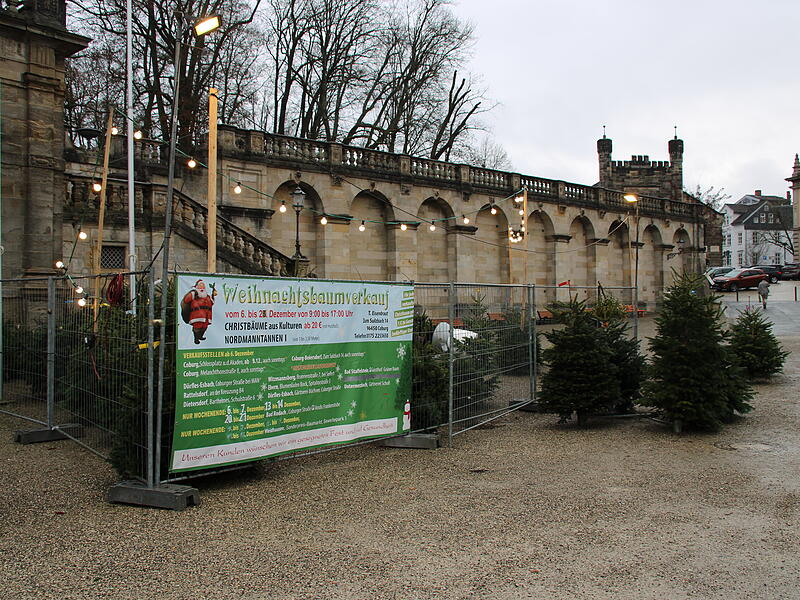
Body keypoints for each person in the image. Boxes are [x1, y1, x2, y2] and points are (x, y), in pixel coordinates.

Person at [182, 279, 216, 344]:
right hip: (196, 315)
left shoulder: (207, 296)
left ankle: (200, 336)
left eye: (203, 286)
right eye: (200, 286)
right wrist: (193, 293)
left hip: (206, 316)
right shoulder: (193, 294)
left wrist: (213, 295)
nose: (202, 288)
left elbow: (212, 303)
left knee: (204, 327)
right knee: (197, 326)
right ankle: (196, 338)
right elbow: (186, 300)